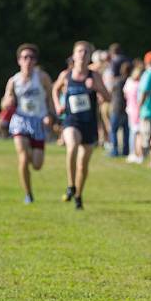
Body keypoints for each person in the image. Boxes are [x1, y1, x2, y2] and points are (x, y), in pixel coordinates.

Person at [52, 41, 110, 210]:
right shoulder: (66, 75)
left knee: (83, 164)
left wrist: (97, 88)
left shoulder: (94, 76)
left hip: (89, 123)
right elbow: (55, 89)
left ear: (89, 56)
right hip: (71, 120)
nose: (82, 54)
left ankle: (78, 195)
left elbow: (108, 98)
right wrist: (57, 105)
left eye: (86, 52)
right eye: (79, 51)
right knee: (72, 146)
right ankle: (71, 185)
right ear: (74, 54)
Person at [2, 43, 55, 204]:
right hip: (20, 120)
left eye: (31, 58)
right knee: (23, 158)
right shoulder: (14, 80)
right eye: (25, 57)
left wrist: (51, 115)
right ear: (19, 60)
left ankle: (32, 153)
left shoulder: (42, 77)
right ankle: (28, 194)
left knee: (37, 165)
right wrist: (7, 101)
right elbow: (4, 102)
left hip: (38, 120)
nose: (28, 60)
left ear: (35, 61)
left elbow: (51, 97)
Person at [109, 61, 131, 157]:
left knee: (113, 130)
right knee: (126, 131)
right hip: (126, 109)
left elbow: (111, 92)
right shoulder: (130, 81)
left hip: (117, 108)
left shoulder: (117, 81)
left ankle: (114, 150)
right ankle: (126, 150)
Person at [124, 60, 144, 163]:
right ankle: (138, 154)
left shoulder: (129, 82)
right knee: (138, 133)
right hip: (137, 110)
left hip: (130, 109)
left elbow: (125, 94)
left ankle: (133, 153)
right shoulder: (139, 84)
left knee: (133, 133)